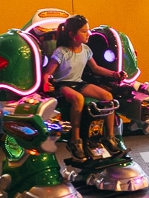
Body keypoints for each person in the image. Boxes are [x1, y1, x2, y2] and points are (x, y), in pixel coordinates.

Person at [42, 14, 126, 161]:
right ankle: (75, 140)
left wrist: (115, 74)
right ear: (72, 34)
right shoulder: (61, 52)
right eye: (84, 31)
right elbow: (48, 72)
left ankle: (110, 137)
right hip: (63, 84)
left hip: (78, 82)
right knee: (78, 99)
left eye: (88, 30)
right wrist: (46, 83)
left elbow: (96, 68)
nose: (88, 34)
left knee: (108, 97)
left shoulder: (86, 49)